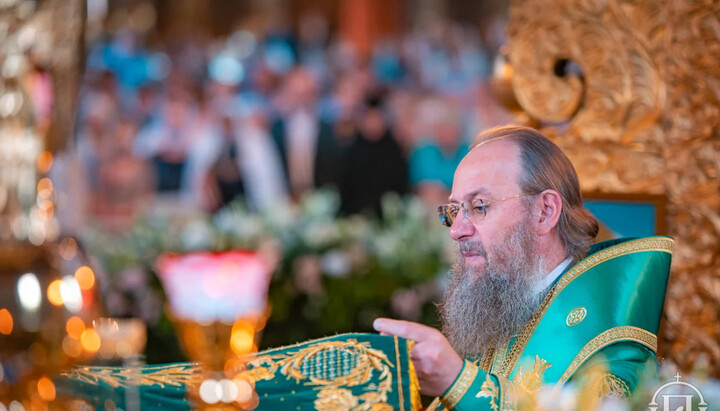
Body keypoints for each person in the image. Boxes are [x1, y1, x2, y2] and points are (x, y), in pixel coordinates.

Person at [374, 125, 673, 409]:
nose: (456, 231)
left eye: (479, 207)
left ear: (545, 212)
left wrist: (459, 381)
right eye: (454, 211)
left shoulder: (613, 339)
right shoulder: (504, 305)